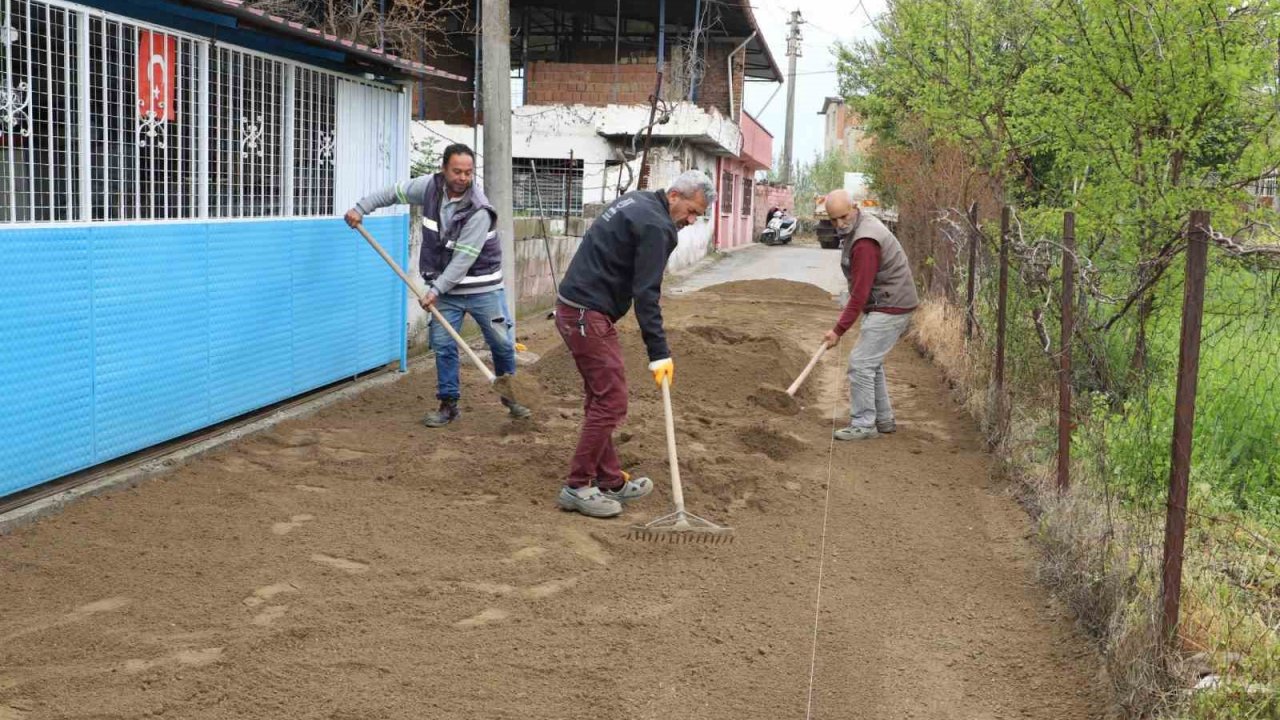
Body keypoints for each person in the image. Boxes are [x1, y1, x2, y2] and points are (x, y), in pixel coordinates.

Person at [552, 170, 716, 518]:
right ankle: (578, 486)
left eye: (698, 216)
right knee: (611, 400)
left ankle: (609, 479)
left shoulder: (642, 201)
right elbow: (647, 295)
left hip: (578, 308)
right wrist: (659, 354)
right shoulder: (658, 226)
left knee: (600, 397)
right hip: (585, 313)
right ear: (674, 195)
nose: (690, 221)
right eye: (691, 211)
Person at [345, 144, 531, 427]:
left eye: (468, 173)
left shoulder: (479, 209)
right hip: (446, 290)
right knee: (443, 346)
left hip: (483, 288)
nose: (463, 178)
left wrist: (434, 290)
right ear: (444, 169)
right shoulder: (429, 188)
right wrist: (361, 208)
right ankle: (448, 404)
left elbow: (462, 262)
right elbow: (393, 192)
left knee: (502, 343)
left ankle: (513, 397)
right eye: (457, 171)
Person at [820, 189, 919, 441]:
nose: (839, 224)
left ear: (854, 207)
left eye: (843, 216)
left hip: (891, 304)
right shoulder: (860, 227)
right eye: (833, 220)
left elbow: (860, 294)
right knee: (870, 363)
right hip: (889, 302)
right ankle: (883, 420)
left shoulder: (865, 241)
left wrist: (838, 330)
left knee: (860, 364)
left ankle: (864, 423)